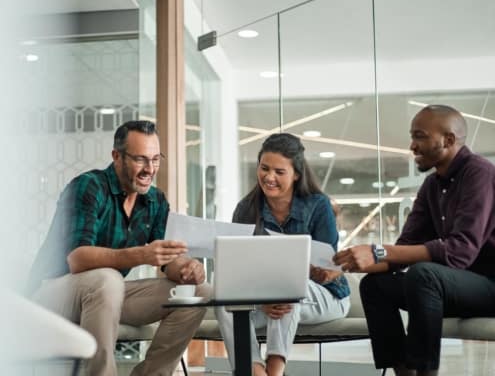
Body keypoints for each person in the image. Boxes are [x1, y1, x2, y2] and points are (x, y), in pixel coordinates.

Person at [26, 120, 210, 376]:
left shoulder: (155, 200)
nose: (150, 169)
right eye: (140, 160)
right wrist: (142, 254)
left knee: (198, 290)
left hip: (105, 295)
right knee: (107, 278)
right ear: (116, 156)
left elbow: (167, 261)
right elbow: (77, 259)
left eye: (156, 159)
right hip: (51, 294)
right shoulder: (88, 186)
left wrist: (187, 268)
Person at [334, 105, 495, 376]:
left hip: (488, 285)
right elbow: (405, 246)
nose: (412, 145)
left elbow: (459, 252)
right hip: (453, 286)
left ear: (449, 140)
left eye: (420, 136)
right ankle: (403, 372)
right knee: (375, 285)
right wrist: (343, 267)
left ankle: (424, 373)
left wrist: (380, 252)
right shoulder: (433, 185)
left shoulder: (480, 173)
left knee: (424, 274)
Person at [215, 133, 350, 376]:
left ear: (296, 174)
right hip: (264, 298)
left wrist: (316, 271)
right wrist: (260, 299)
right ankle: (254, 371)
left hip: (325, 296)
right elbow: (238, 272)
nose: (269, 177)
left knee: (283, 286)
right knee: (224, 300)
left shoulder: (318, 205)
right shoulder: (245, 209)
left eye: (279, 172)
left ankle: (275, 371)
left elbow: (328, 266)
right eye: (264, 168)